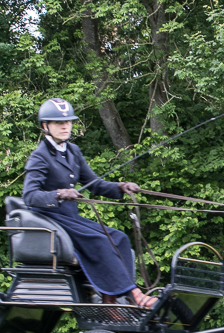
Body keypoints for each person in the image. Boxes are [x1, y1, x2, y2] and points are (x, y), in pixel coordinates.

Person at [22, 98, 156, 307]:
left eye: (69, 122)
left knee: (119, 238)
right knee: (101, 241)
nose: (66, 126)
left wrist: (120, 187)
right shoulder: (39, 157)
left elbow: (94, 184)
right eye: (59, 123)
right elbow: (29, 196)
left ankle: (109, 300)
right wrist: (59, 194)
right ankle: (135, 294)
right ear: (45, 126)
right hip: (51, 220)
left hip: (71, 218)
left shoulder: (73, 151)